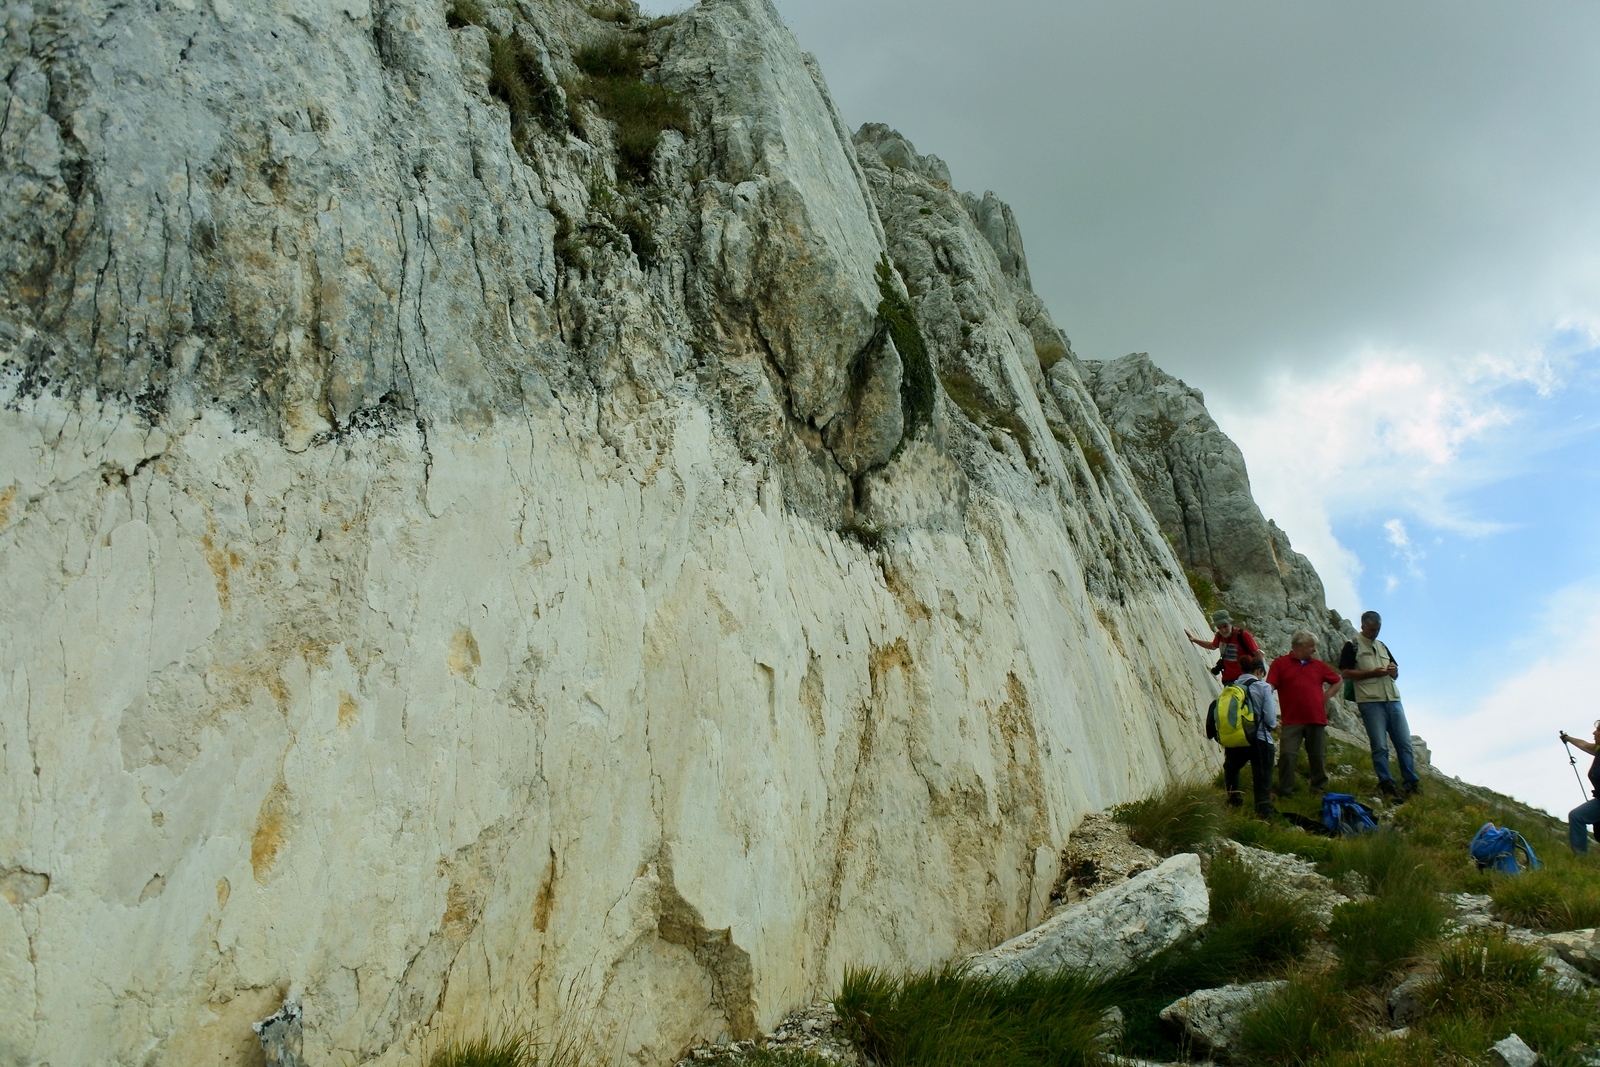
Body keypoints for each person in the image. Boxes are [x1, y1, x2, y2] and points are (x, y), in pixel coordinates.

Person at [1338, 611, 1419, 799]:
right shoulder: (1352, 645)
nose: (1376, 633)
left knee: (1405, 744)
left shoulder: (1382, 646)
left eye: (1378, 629)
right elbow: (1346, 673)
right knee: (1380, 746)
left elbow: (1395, 673)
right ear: (1363, 626)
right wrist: (1372, 673)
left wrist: (1393, 671)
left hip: (1393, 700)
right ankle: (1386, 784)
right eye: (1373, 629)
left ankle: (1411, 784)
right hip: (1370, 702)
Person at [1267, 631, 1341, 797]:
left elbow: (1337, 680)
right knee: (1287, 755)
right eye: (1312, 646)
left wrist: (1326, 696)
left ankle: (1318, 790)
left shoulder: (1318, 665)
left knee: (1318, 756)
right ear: (1300, 646)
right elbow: (1270, 685)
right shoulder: (1280, 664)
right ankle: (1285, 792)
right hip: (1291, 719)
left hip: (1316, 718)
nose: (1314, 650)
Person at [1205, 654, 1278, 816]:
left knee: (1231, 769)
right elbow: (1270, 719)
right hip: (1260, 740)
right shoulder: (1263, 687)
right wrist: (1274, 726)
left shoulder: (1233, 686)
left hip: (1237, 738)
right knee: (1262, 781)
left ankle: (1234, 801)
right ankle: (1263, 815)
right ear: (1260, 671)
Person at [1558, 721, 1600, 856]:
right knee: (1578, 817)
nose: (1594, 733)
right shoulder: (1598, 749)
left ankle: (1580, 857)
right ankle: (1580, 858)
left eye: (1598, 731)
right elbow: (1584, 744)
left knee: (1577, 816)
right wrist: (1568, 739)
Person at [1186, 609, 1261, 684]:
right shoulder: (1219, 636)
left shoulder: (1243, 635)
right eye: (1219, 628)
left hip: (1244, 680)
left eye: (1225, 626)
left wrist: (1258, 677)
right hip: (1228, 679)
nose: (1223, 630)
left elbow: (1258, 654)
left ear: (1230, 622)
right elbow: (1212, 646)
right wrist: (1194, 640)